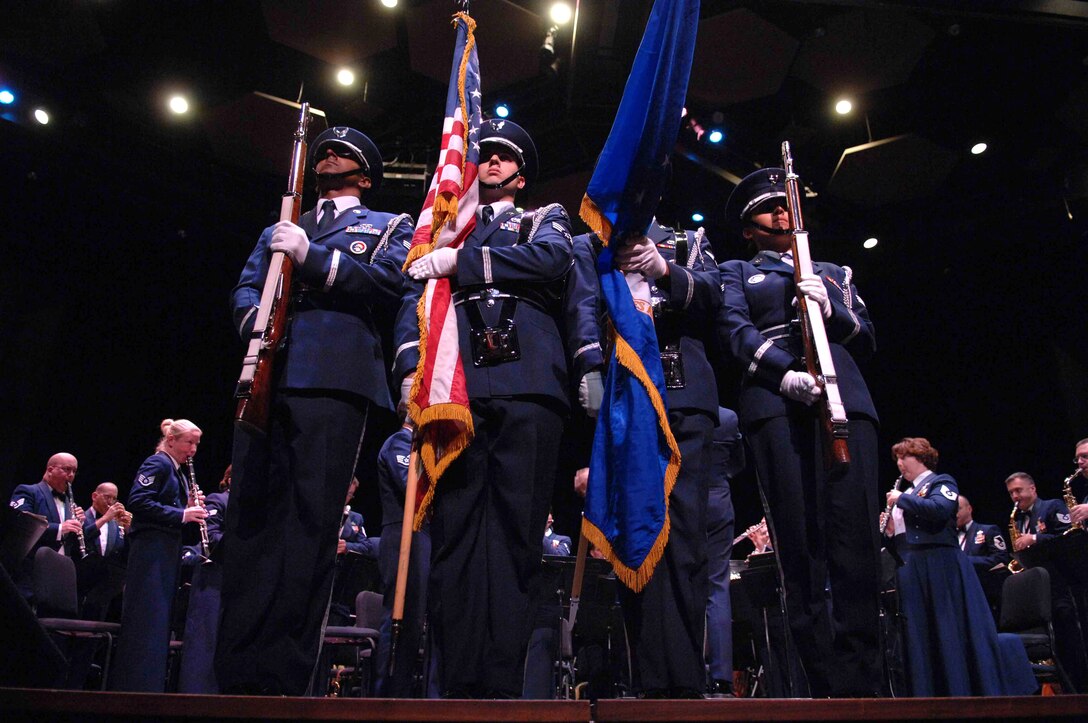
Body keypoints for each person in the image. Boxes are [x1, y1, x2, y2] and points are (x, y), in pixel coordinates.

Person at [216, 126, 413, 696]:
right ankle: (235, 669)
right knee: (250, 518)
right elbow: (247, 287)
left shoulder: (386, 228)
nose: (329, 155)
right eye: (324, 150)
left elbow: (390, 283)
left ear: (365, 175)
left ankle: (283, 674)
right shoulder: (284, 224)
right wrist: (252, 317)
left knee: (309, 523)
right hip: (267, 376)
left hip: (333, 378)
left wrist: (316, 260)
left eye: (343, 153)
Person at [398, 119, 574, 698]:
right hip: (458, 388)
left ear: (522, 174)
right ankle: (457, 680)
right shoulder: (449, 228)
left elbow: (550, 261)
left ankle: (501, 684)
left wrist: (464, 266)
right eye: (485, 156)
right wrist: (409, 371)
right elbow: (414, 298)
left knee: (516, 535)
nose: (491, 163)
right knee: (458, 535)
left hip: (526, 386)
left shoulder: (542, 217)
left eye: (503, 157)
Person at [717, 167, 882, 697]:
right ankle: (825, 684)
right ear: (748, 227)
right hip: (777, 408)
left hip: (844, 404)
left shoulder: (833, 270)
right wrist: (782, 372)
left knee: (855, 539)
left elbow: (867, 335)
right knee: (799, 543)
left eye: (785, 205)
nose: (781, 214)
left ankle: (867, 683)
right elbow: (735, 332)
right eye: (768, 208)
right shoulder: (737, 271)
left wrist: (830, 309)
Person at [574, 212, 722, 698]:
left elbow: (714, 301)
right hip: (626, 403)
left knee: (686, 544)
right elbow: (581, 311)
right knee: (634, 533)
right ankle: (651, 679)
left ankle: (686, 680)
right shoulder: (592, 246)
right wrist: (590, 367)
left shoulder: (686, 239)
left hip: (683, 400)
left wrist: (665, 271)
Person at [886, 438, 1035, 696]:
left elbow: (940, 509)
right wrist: (890, 531)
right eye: (897, 459)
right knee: (920, 635)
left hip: (938, 567)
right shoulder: (908, 493)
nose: (899, 464)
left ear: (920, 457)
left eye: (904, 458)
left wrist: (901, 500)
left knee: (947, 628)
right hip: (913, 568)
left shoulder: (941, 481)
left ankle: (961, 689)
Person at [111, 418, 206, 692]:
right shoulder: (159, 463)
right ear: (172, 440)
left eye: (197, 444)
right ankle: (134, 687)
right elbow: (138, 502)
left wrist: (185, 506)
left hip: (165, 548)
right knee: (146, 616)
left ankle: (148, 686)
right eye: (189, 442)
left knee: (158, 617)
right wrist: (182, 514)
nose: (193, 449)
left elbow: (164, 503)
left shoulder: (175, 469)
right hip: (150, 550)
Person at [1005, 470, 1086, 691]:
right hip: (1044, 590)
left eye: (1018, 490)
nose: (1015, 496)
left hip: (1065, 585)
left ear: (1033, 489)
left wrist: (1035, 538)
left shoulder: (1052, 507)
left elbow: (1070, 535)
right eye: (1011, 493)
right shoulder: (1019, 519)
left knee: (1073, 640)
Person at [372, 419, 436, 698]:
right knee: (401, 616)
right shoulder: (401, 442)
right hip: (403, 534)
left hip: (418, 536)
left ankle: (401, 689)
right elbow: (412, 486)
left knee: (413, 621)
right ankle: (387, 693)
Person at [177, 465, 231, 694]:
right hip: (214, 577)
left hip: (239, 581)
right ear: (230, 479)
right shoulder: (218, 500)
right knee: (205, 645)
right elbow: (212, 535)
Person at [8, 453, 89, 599]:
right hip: (31, 573)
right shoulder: (28, 491)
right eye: (66, 469)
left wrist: (80, 524)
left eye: (74, 471)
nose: (71, 475)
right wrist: (59, 528)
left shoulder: (70, 504)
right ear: (50, 470)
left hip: (60, 576)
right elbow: (20, 525)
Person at [706, 407, 743, 697]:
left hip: (684, 499)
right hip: (719, 498)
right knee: (718, 587)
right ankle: (721, 678)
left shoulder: (676, 411)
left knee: (685, 584)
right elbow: (738, 463)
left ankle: (689, 673)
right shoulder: (728, 418)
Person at [78, 482, 129, 621]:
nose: (111, 502)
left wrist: (129, 529)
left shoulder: (116, 524)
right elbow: (80, 538)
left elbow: (120, 551)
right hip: (82, 580)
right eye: (107, 497)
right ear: (95, 496)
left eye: (114, 499)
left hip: (105, 586)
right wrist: (105, 518)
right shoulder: (81, 516)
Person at [955, 494, 1009, 620]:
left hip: (984, 594)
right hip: (957, 594)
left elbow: (1001, 559)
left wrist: (965, 561)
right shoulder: (948, 537)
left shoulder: (988, 530)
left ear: (969, 509)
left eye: (958, 509)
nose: (954, 514)